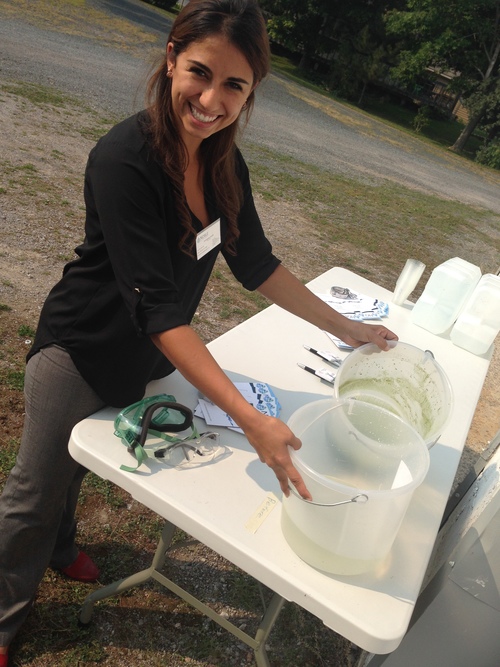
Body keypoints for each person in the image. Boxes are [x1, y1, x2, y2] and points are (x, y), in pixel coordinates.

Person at [0, 0, 398, 662]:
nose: (212, 100)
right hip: (82, 350)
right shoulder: (123, 159)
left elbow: (256, 262)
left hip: (149, 358)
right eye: (200, 73)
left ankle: (61, 548)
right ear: (171, 59)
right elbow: (157, 308)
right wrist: (251, 419)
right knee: (34, 492)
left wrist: (345, 327)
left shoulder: (223, 165)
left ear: (251, 91)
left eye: (234, 85)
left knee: (77, 466)